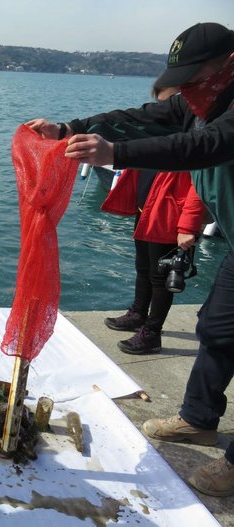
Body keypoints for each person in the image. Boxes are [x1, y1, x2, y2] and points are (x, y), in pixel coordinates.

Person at [27, 22, 234, 497]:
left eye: (192, 74)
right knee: (217, 330)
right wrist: (71, 128)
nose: (184, 87)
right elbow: (145, 117)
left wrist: (115, 152)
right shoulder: (200, 99)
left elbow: (206, 146)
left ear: (226, 62)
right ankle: (197, 420)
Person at [102, 86, 207, 355]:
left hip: (170, 216)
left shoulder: (198, 133)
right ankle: (138, 313)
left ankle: (152, 333)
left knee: (161, 277)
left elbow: (199, 184)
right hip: (147, 209)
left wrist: (188, 226)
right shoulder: (159, 130)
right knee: (143, 268)